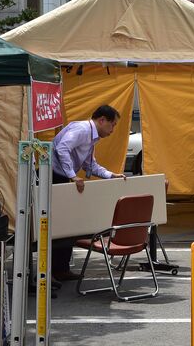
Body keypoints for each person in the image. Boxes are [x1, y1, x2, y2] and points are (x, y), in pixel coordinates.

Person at [51, 105, 126, 284]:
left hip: (61, 177)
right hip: (53, 177)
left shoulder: (91, 137)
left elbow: (89, 164)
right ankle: (52, 272)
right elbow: (62, 148)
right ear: (102, 120)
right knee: (58, 226)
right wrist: (72, 175)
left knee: (68, 225)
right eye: (112, 125)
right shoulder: (82, 129)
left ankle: (61, 269)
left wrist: (110, 175)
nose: (112, 130)